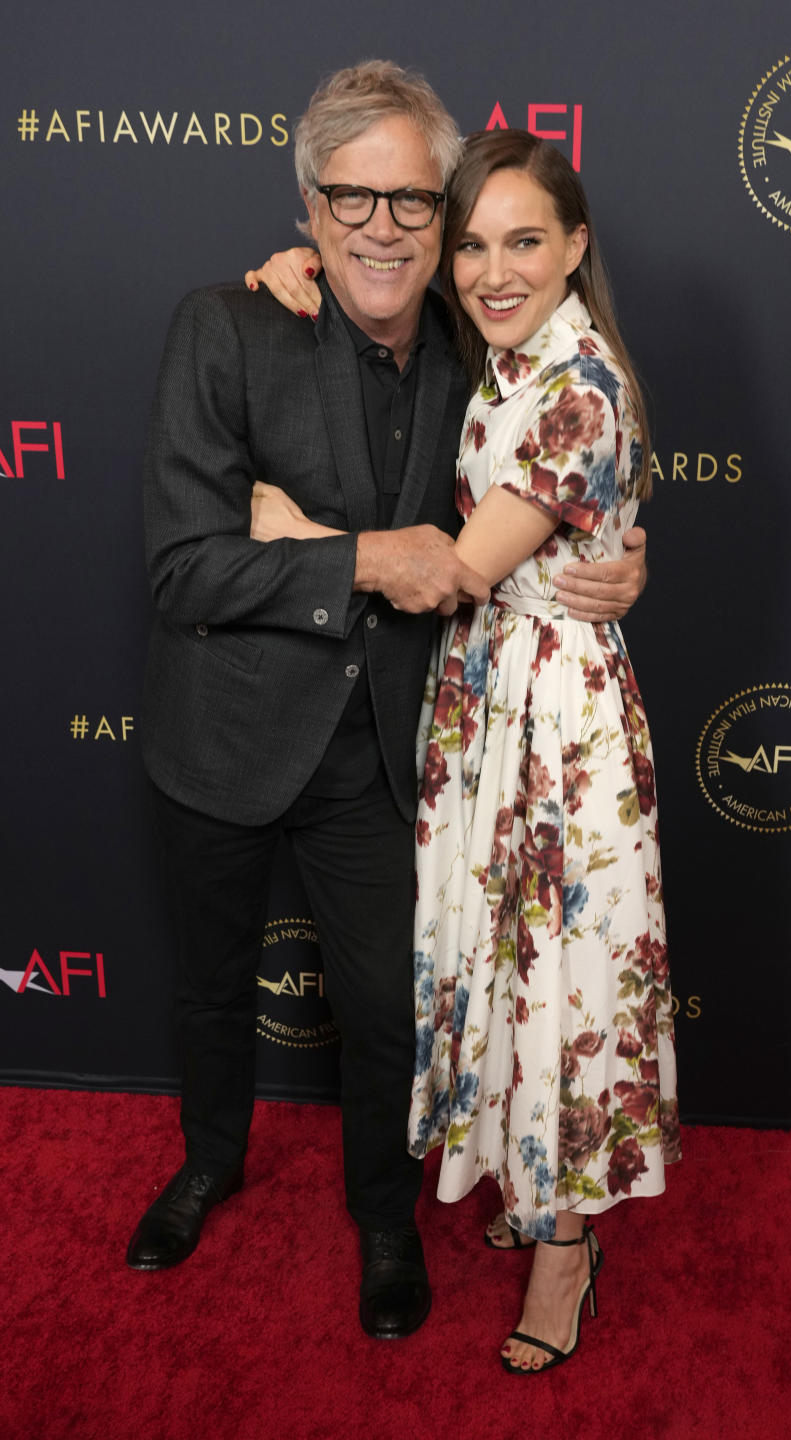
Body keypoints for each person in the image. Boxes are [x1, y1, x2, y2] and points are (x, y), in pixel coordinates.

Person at [129, 61, 647, 1345]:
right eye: (349, 198)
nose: (383, 227)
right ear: (308, 208)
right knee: (207, 988)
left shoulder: (485, 348)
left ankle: (382, 1215)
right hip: (225, 737)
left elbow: (573, 453)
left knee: (384, 1010)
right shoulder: (228, 322)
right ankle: (207, 1164)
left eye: (414, 203)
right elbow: (182, 565)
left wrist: (625, 549)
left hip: (389, 753)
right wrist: (355, 554)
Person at [249, 127, 679, 1374]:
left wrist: (293, 529)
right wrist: (298, 266)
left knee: (565, 990)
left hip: (556, 733)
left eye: (524, 242)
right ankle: (531, 1188)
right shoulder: (500, 359)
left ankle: (567, 1251)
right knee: (505, 974)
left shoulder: (577, 383)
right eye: (476, 243)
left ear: (576, 247)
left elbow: (453, 576)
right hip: (490, 708)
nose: (492, 270)